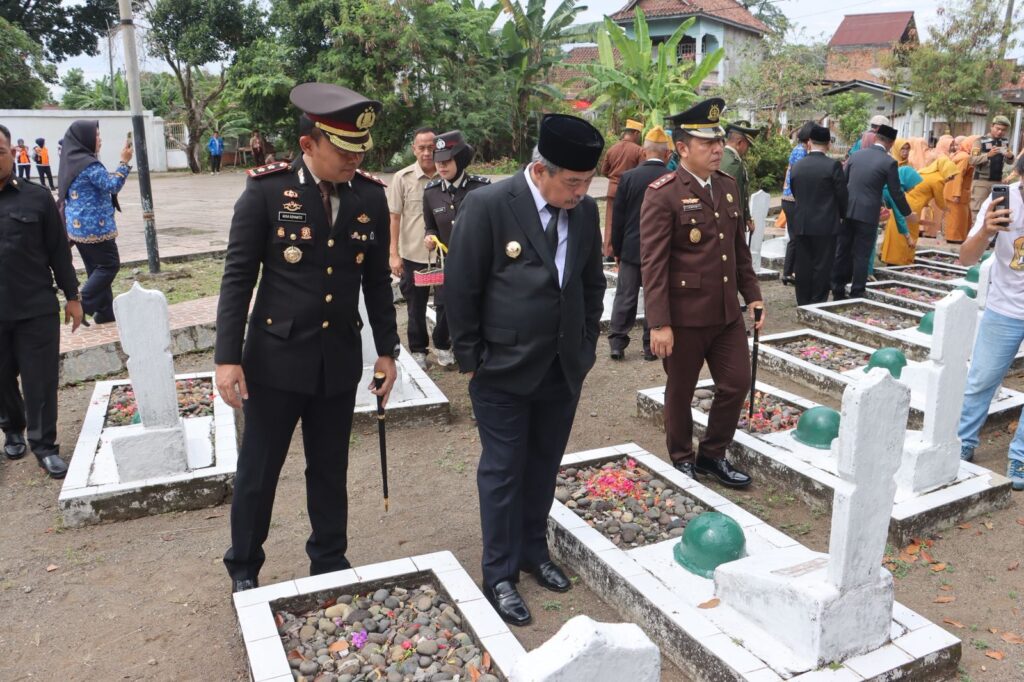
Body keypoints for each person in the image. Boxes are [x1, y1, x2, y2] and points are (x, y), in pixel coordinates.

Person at [215, 83, 400, 593]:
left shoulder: (369, 196)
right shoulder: (268, 191)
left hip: (337, 358)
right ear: (308, 144)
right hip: (274, 361)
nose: (354, 160)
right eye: (343, 151)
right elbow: (238, 277)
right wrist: (227, 358)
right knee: (259, 471)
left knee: (330, 468)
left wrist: (388, 351)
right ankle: (244, 567)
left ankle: (329, 559)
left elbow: (376, 282)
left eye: (360, 151)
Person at [445, 114, 606, 626]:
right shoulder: (490, 204)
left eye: (587, 182)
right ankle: (499, 573)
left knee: (543, 465)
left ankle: (534, 551)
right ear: (540, 170)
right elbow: (461, 286)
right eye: (572, 182)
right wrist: (472, 360)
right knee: (503, 470)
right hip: (502, 368)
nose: (580, 193)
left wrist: (585, 346)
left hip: (562, 368)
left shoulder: (584, 212)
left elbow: (591, 284)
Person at [640, 97, 764, 489]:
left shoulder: (727, 187)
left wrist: (753, 294)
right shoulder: (663, 193)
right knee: (681, 391)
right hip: (684, 316)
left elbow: (738, 249)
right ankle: (681, 457)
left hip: (726, 312)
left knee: (736, 383)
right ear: (682, 148)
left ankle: (712, 454)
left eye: (719, 141)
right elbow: (653, 264)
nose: (717, 148)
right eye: (708, 142)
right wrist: (659, 323)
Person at [0, 123, 83, 478]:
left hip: (35, 307)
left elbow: (58, 251)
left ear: (12, 153)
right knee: (2, 378)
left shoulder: (36, 197)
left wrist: (72, 296)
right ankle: (12, 428)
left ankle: (44, 445)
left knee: (41, 379)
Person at [955, 182, 1024, 491]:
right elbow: (966, 258)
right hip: (1004, 309)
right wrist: (985, 231)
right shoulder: (1002, 202)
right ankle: (963, 441)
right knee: (981, 381)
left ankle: (1020, 455)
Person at [422, 130, 490, 369]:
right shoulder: (430, 192)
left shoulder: (481, 188)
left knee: (478, 307)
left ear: (459, 160)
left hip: (477, 263)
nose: (441, 166)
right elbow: (430, 226)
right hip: (447, 264)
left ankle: (477, 352)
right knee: (445, 308)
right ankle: (445, 346)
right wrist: (429, 237)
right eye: (438, 162)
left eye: (447, 161)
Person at [59, 120, 133, 325]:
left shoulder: (71, 161)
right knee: (109, 265)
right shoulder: (89, 164)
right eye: (97, 135)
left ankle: (105, 312)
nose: (100, 139)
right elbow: (112, 185)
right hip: (95, 228)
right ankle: (82, 304)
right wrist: (124, 162)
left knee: (96, 269)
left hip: (78, 228)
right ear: (85, 139)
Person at [608, 125, 672, 361]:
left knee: (625, 296)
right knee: (656, 296)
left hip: (631, 248)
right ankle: (649, 346)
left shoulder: (628, 177)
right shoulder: (672, 179)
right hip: (661, 251)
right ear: (668, 154)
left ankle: (617, 343)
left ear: (644, 152)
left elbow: (618, 219)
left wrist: (617, 249)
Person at [832, 124, 912, 300]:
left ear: (876, 138)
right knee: (862, 254)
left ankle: (837, 289)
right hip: (868, 214)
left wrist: (841, 208)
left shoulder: (856, 155)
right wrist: (907, 213)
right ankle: (857, 292)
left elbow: (843, 183)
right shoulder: (889, 162)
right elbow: (896, 192)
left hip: (848, 211)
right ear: (892, 143)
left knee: (842, 251)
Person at [387, 127, 438, 369]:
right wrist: (393, 255)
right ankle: (418, 350)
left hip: (445, 255)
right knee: (415, 307)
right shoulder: (402, 178)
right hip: (413, 254)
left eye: (432, 147)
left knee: (448, 304)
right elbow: (394, 217)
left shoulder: (447, 174)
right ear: (414, 149)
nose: (427, 153)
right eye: (422, 148)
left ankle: (445, 345)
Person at [789, 124, 848, 305]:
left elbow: (795, 191)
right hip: (825, 224)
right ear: (828, 144)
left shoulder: (797, 166)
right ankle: (817, 302)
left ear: (809, 142)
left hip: (802, 222)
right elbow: (842, 195)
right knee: (823, 266)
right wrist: (842, 215)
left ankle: (803, 301)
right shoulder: (833, 166)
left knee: (803, 265)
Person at [879, 157, 958, 265]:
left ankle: (888, 256)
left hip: (905, 200)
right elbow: (939, 201)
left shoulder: (926, 172)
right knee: (908, 232)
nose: (952, 178)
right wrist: (947, 209)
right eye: (951, 175)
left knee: (894, 230)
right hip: (912, 206)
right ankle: (901, 261)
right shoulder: (938, 180)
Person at [600, 119, 645, 257]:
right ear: (635, 133)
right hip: (630, 192)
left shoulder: (612, 149)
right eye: (639, 134)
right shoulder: (639, 150)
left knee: (610, 222)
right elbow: (641, 172)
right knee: (630, 221)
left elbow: (604, 171)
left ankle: (609, 252)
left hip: (613, 190)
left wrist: (614, 179)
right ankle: (624, 251)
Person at [780, 122, 813, 285]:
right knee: (796, 237)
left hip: (789, 199)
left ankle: (789, 272)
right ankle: (789, 272)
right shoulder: (801, 151)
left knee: (795, 236)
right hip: (793, 200)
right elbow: (801, 176)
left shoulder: (799, 149)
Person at [720, 120, 760, 233]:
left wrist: (747, 217)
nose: (747, 150)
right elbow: (733, 200)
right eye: (748, 145)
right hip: (730, 225)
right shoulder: (734, 164)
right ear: (739, 143)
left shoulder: (721, 156)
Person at [969, 115, 1014, 214]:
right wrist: (988, 155)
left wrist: (1010, 156)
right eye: (998, 128)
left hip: (998, 182)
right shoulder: (980, 141)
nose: (1000, 132)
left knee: (997, 211)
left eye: (1003, 130)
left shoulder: (1004, 142)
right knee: (978, 212)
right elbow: (972, 160)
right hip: (981, 183)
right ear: (991, 126)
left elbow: (1009, 162)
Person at [944, 136, 976, 243]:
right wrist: (956, 194)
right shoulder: (965, 157)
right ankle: (955, 238)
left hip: (956, 191)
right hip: (958, 192)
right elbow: (958, 175)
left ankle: (955, 237)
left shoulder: (960, 155)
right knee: (957, 217)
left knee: (958, 216)